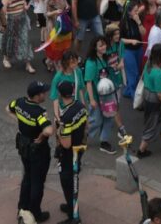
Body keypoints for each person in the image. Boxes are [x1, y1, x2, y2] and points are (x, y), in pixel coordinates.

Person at [10, 79, 55, 224]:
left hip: (23, 147)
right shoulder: (39, 112)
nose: (45, 94)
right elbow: (49, 130)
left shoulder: (19, 102)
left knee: (27, 178)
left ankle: (22, 208)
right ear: (37, 96)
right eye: (43, 93)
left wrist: (20, 122)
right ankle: (35, 213)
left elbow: (8, 108)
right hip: (37, 151)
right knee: (37, 182)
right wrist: (42, 135)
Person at [54, 79, 90, 221]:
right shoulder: (80, 106)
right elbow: (87, 125)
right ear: (73, 92)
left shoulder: (66, 117)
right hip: (79, 149)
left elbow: (66, 144)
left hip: (69, 154)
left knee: (68, 182)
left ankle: (73, 215)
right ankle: (71, 205)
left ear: (60, 95)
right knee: (73, 180)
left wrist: (58, 131)